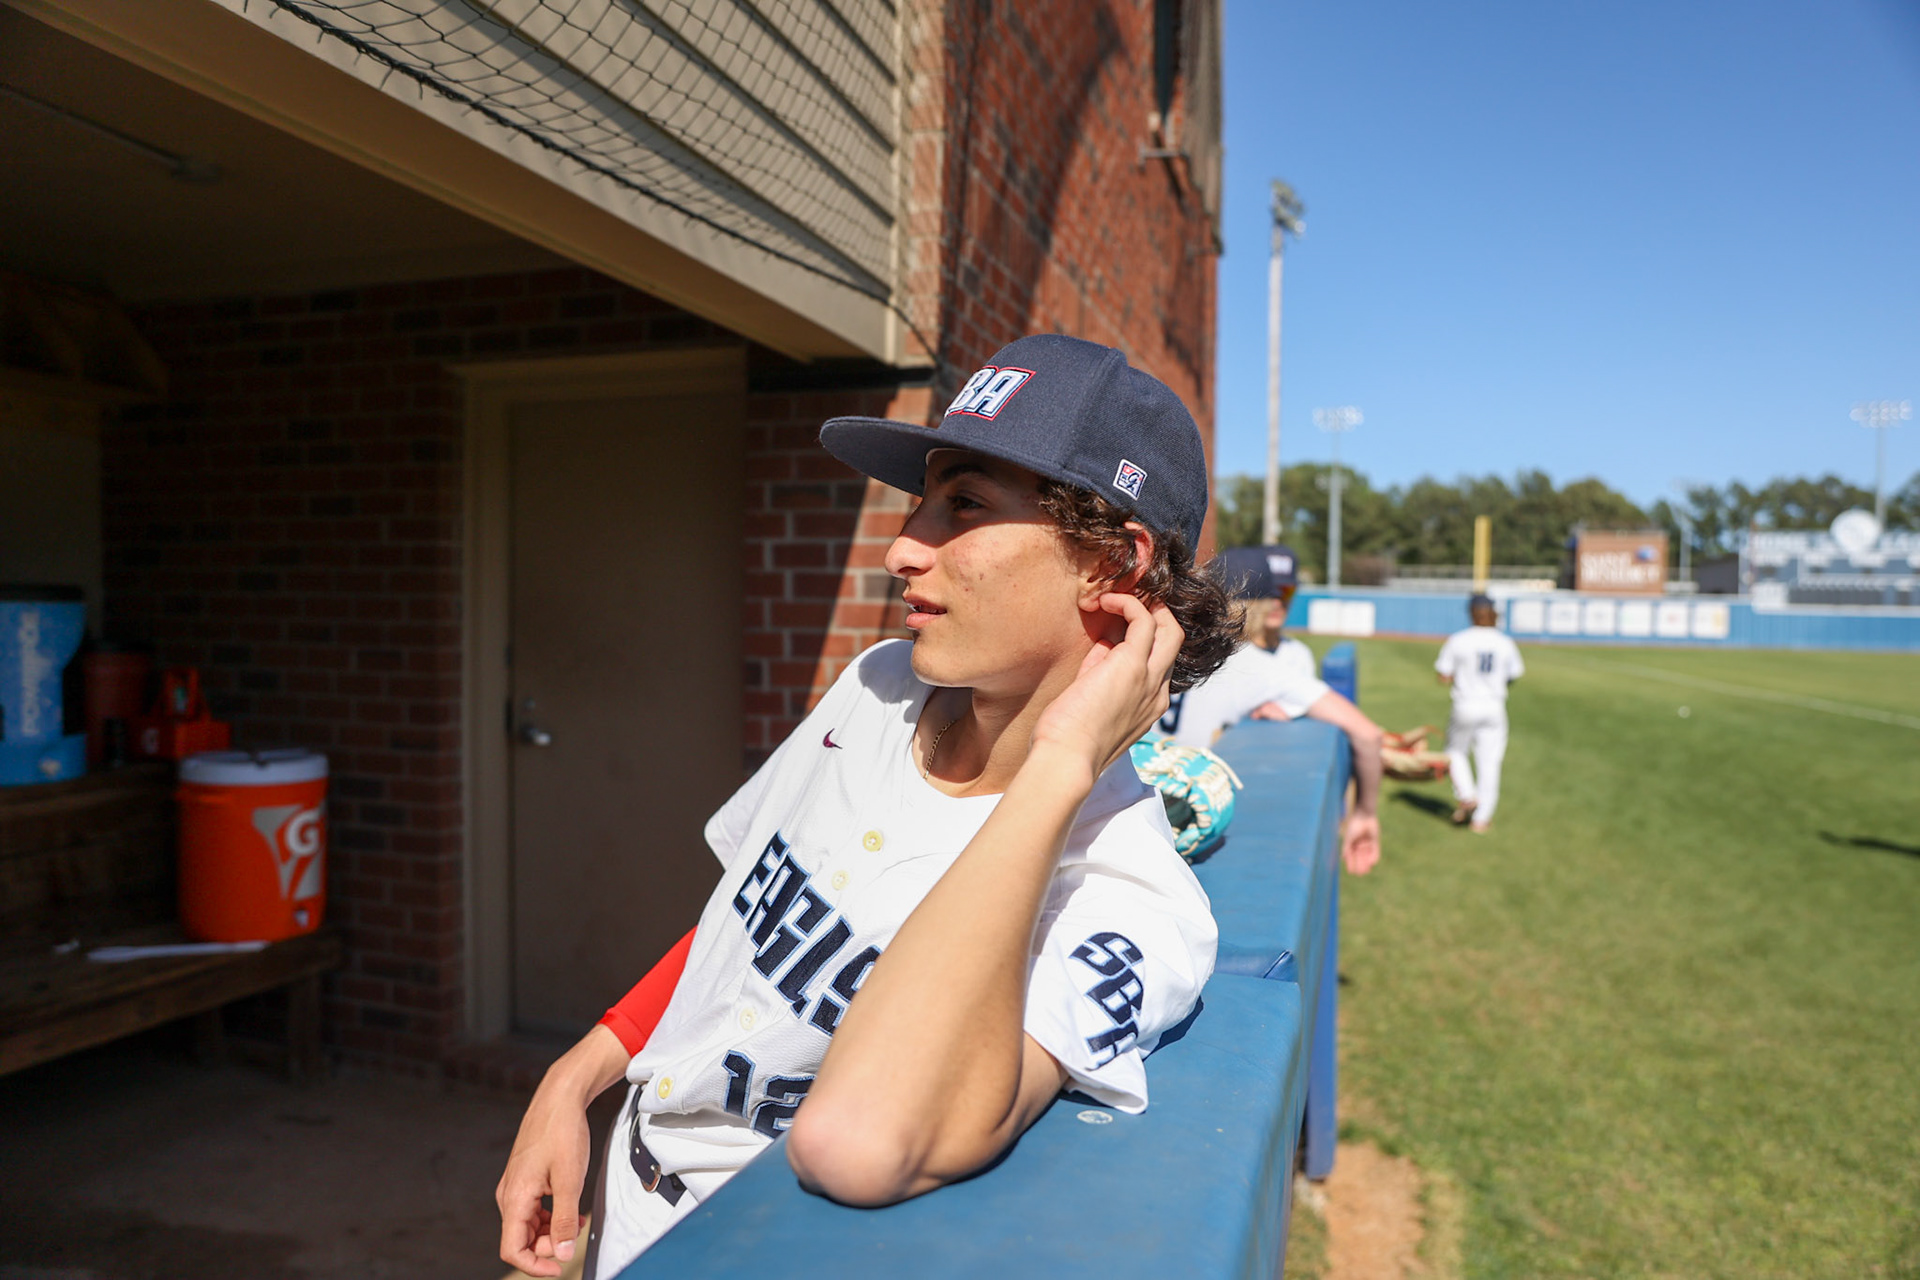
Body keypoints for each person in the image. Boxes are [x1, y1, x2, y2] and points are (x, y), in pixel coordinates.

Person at [495, 334, 1240, 1278]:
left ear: (1113, 565)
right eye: (920, 500)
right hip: (622, 1195)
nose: (899, 548)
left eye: (963, 503)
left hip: (755, 1250)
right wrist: (579, 1075)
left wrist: (1057, 771)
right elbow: (741, 932)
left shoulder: (1134, 898)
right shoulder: (880, 683)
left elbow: (860, 1138)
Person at [1161, 544, 1384, 875]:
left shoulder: (1166, 643)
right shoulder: (1253, 665)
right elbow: (1368, 734)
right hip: (1193, 825)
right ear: (1265, 604)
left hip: (1135, 809)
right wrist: (1364, 812)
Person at [1434, 593, 1525, 834]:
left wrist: (1458, 677)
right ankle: (1481, 820)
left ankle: (1467, 794)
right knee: (1490, 762)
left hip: (1465, 704)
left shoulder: (1459, 640)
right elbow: (1514, 674)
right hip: (1494, 706)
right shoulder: (1504, 642)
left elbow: (1443, 674)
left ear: (1471, 613)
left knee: (1454, 752)